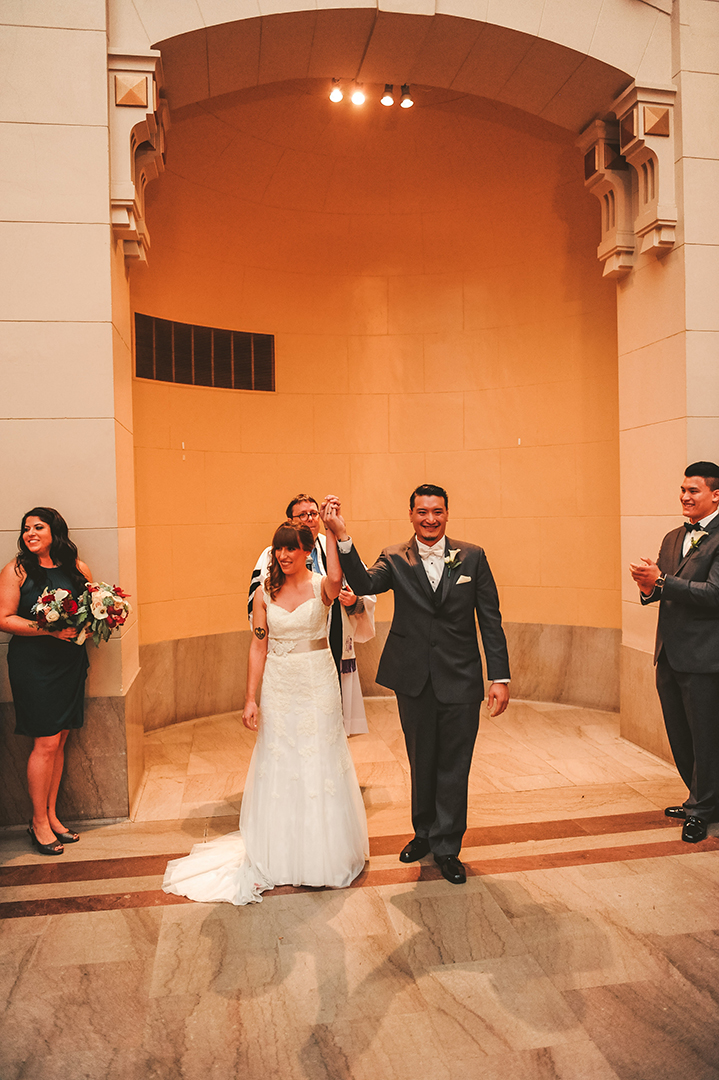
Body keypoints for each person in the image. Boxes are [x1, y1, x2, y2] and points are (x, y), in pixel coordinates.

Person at [163, 520, 368, 905]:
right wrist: (250, 698)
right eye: (279, 548)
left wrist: (333, 529)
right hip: (279, 682)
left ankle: (324, 852)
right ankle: (280, 851)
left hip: (317, 682)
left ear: (308, 552)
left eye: (292, 548)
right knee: (281, 757)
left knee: (320, 757)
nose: (284, 555)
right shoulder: (264, 593)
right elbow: (258, 646)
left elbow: (339, 576)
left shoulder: (323, 586)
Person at [322, 484, 510, 885]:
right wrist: (340, 533)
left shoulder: (473, 557)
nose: (430, 519)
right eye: (422, 512)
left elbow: (490, 619)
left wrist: (499, 676)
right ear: (411, 515)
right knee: (421, 758)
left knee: (454, 766)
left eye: (437, 512)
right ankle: (423, 832)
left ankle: (447, 846)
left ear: (447, 514)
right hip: (414, 679)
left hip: (460, 677)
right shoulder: (394, 557)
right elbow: (365, 583)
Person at [630, 462, 719, 843]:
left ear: (716, 495)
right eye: (682, 489)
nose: (685, 496)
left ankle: (703, 809)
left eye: (693, 490)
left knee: (706, 737)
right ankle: (697, 797)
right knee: (679, 734)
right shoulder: (671, 537)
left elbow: (715, 594)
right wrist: (648, 585)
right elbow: (664, 589)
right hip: (668, 654)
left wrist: (663, 580)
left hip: (704, 657)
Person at [0, 508, 91, 856]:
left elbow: (89, 609)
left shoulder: (76, 568)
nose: (30, 533)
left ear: (55, 531)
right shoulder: (18, 570)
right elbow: (4, 618)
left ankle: (52, 815)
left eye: (38, 527)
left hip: (69, 662)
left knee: (61, 738)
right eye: (26, 528)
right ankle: (37, 821)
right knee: (46, 742)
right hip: (34, 666)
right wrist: (48, 628)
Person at [248, 493, 376, 735]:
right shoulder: (271, 555)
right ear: (290, 519)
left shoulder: (331, 547)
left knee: (322, 724)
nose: (309, 519)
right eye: (302, 514)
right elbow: (259, 628)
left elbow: (348, 581)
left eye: (313, 513)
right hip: (283, 657)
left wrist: (354, 601)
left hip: (328, 635)